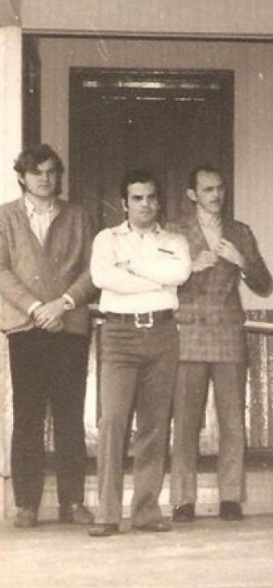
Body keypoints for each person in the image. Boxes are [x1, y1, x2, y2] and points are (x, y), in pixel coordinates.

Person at [87, 170, 191, 537]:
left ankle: (146, 511)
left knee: (154, 424)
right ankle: (107, 513)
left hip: (162, 334)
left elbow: (180, 273)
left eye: (151, 197)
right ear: (124, 203)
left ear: (159, 202)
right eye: (137, 198)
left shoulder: (176, 240)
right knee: (112, 421)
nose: (145, 204)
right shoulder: (107, 239)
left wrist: (132, 268)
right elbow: (103, 278)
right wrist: (157, 279)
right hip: (118, 334)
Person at [168, 165, 273, 523]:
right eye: (208, 190)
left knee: (232, 421)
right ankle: (183, 500)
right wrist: (189, 267)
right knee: (185, 422)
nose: (216, 195)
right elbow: (158, 280)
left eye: (220, 189)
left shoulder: (239, 232)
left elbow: (264, 284)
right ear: (192, 194)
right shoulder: (174, 231)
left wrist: (241, 261)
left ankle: (230, 497)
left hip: (228, 332)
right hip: (188, 333)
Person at [0, 144, 97, 528]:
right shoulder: (5, 217)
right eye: (37, 172)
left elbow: (93, 270)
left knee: (70, 416)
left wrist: (63, 304)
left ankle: (73, 502)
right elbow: (1, 270)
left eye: (52, 171)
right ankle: (26, 504)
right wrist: (35, 308)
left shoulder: (78, 216)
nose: (45, 178)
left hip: (69, 326)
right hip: (26, 328)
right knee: (28, 416)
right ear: (22, 177)